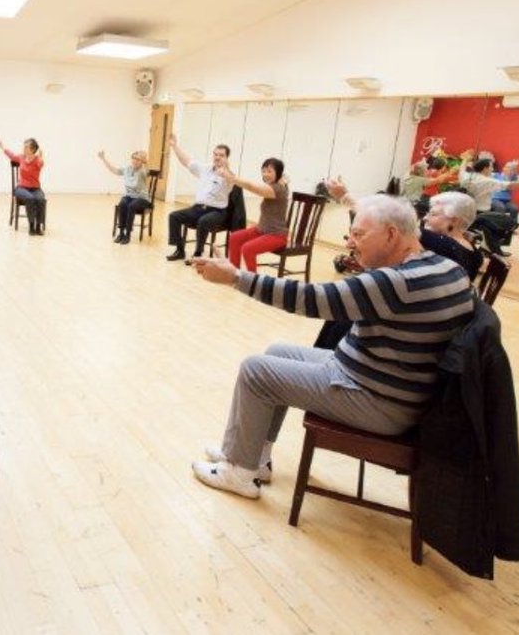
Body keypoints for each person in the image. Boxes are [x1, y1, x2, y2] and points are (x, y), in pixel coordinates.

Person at [188, 194, 475, 499]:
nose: (350, 243)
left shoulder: (395, 283)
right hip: (385, 382)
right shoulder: (447, 267)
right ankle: (253, 458)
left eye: (359, 234)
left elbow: (312, 298)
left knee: (255, 371)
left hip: (380, 401)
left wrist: (235, 278)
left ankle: (239, 473)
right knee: (276, 351)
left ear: (392, 234)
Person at [329, 179, 484, 281]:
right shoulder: (475, 254)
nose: (425, 218)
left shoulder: (442, 244)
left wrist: (344, 196)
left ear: (454, 220)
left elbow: (385, 217)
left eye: (434, 214)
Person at [164, 133, 231, 261]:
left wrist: (226, 171)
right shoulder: (205, 169)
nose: (217, 157)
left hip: (218, 212)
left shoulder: (229, 175)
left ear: (227, 158)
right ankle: (180, 250)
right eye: (215, 154)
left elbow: (233, 180)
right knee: (174, 216)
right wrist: (174, 146)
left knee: (203, 221)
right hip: (199, 208)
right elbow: (187, 161)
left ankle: (198, 253)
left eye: (221, 155)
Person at [223, 158, 290, 272]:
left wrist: (233, 179)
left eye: (269, 171)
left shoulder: (278, 189)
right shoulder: (274, 185)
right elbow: (250, 185)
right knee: (234, 237)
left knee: (247, 249)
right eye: (263, 171)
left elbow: (252, 187)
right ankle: (234, 273)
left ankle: (253, 282)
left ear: (278, 172)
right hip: (261, 230)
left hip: (277, 235)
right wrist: (228, 171)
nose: (265, 174)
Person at [97, 149, 151, 244]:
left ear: (142, 161)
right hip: (129, 196)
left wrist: (145, 159)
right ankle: (121, 232)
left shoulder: (142, 171)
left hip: (142, 198)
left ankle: (128, 234)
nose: (135, 161)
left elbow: (147, 171)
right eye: (133, 158)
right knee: (122, 204)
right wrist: (103, 159)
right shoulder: (127, 168)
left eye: (138, 159)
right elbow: (114, 170)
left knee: (131, 206)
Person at [0, 136, 46, 235]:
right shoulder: (21, 157)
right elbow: (11, 155)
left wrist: (41, 158)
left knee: (40, 199)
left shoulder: (37, 160)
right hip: (21, 188)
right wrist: (1, 145)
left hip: (35, 188)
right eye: (24, 146)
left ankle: (38, 226)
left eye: (26, 147)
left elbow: (41, 163)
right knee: (30, 198)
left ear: (32, 149)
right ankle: (31, 225)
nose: (24, 148)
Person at [490, 159, 519, 226]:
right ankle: (499, 226)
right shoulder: (496, 175)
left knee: (515, 208)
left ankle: (512, 226)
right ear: (504, 168)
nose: (508, 169)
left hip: (507, 201)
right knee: (500, 208)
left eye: (511, 169)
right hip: (495, 199)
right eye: (507, 167)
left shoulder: (512, 180)